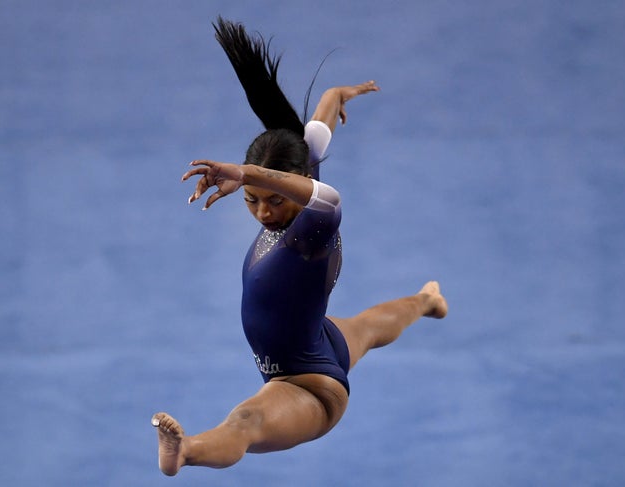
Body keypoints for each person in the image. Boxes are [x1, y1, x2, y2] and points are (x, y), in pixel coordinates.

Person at [151, 16, 448, 476]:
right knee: (368, 327)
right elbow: (317, 125)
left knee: (247, 420)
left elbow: (327, 198)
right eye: (252, 202)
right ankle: (428, 300)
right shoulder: (301, 179)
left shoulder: (314, 228)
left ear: (294, 185)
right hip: (318, 339)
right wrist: (338, 95)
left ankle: (185, 450)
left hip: (307, 388)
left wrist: (246, 175)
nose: (265, 213)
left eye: (273, 199)